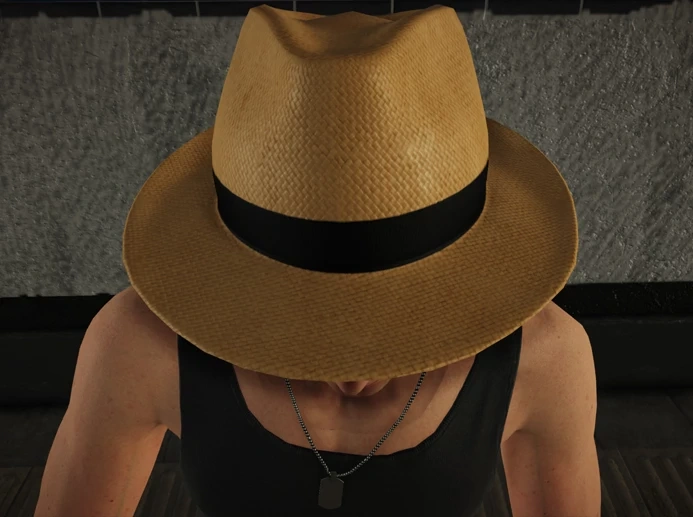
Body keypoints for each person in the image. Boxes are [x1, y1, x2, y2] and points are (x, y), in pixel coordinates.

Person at [34, 4, 601, 517]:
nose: (354, 374)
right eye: (310, 306)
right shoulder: (138, 346)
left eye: (402, 310)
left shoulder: (546, 358)